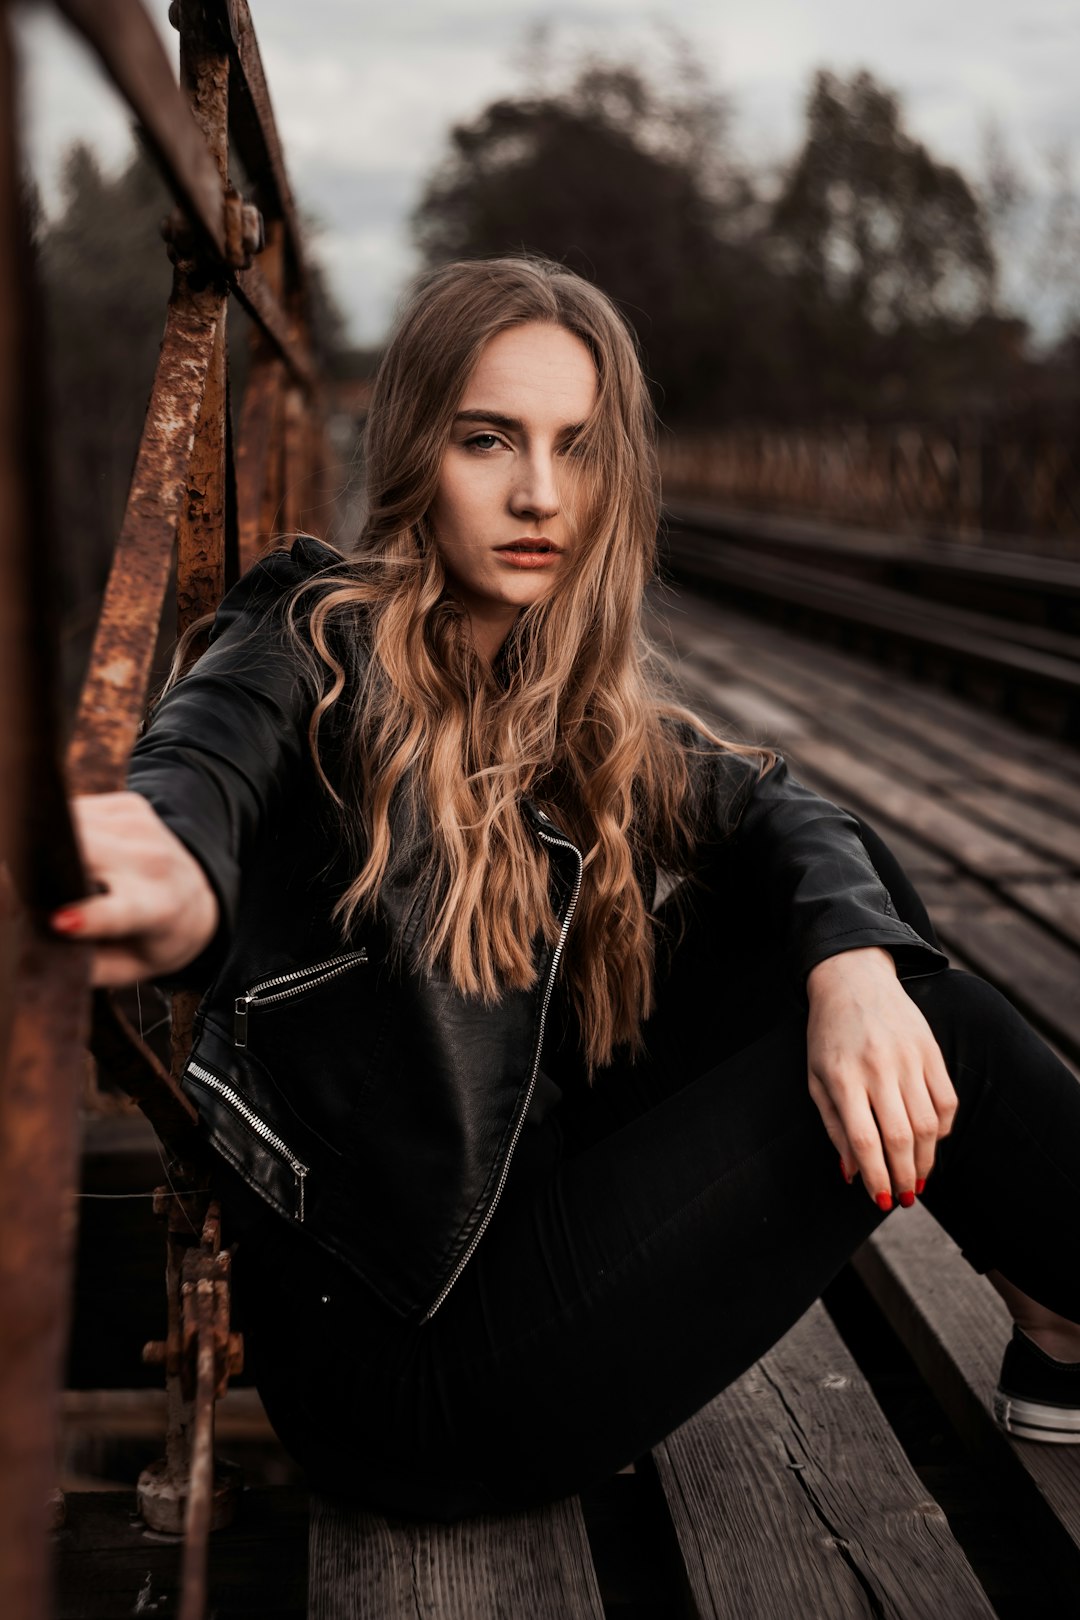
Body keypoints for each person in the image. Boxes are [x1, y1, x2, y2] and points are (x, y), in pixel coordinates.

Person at [53, 257, 1080, 1520]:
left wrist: (853, 969)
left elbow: (772, 805)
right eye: (491, 440)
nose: (541, 493)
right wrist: (156, 862)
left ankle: (1053, 1311)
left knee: (844, 903)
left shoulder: (553, 688)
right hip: (408, 1370)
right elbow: (199, 761)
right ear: (420, 449)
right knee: (957, 1034)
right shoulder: (308, 638)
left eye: (579, 449)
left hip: (513, 1225)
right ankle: (1064, 1305)